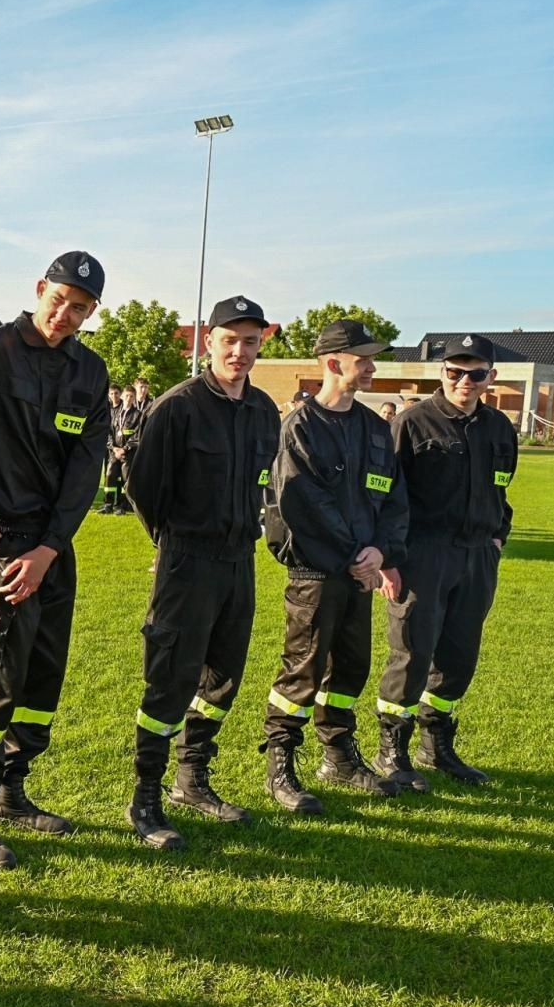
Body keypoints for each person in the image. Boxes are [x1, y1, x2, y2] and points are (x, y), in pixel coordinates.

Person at [0, 251, 110, 870]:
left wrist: (49, 547)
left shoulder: (89, 372)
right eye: (60, 299)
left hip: (50, 547)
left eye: (82, 307)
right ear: (41, 289)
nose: (66, 314)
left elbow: (84, 469)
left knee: (42, 679)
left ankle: (12, 790)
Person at [122, 296, 281, 847]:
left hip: (239, 560)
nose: (239, 351)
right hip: (187, 559)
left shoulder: (263, 410)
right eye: (229, 340)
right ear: (207, 341)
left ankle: (193, 779)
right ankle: (145, 797)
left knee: (223, 677)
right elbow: (142, 487)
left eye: (251, 342)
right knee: (170, 679)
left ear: (262, 345)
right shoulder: (178, 406)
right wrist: (169, 546)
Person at [262, 320, 409, 813]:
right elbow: (304, 503)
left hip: (360, 571)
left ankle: (338, 756)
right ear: (332, 363)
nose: (370, 367)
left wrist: (381, 552)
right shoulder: (300, 425)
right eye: (361, 359)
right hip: (316, 572)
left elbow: (393, 497)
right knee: (302, 670)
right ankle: (280, 765)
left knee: (350, 667)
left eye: (371, 359)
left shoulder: (373, 427)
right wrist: (356, 556)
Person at [374, 334, 515, 788]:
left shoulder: (499, 427)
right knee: (412, 652)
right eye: (455, 372)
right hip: (423, 553)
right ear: (442, 373)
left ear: (491, 377)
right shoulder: (413, 423)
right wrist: (389, 560)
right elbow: (384, 497)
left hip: (476, 556)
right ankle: (391, 751)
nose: (464, 381)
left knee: (459, 655)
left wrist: (497, 538)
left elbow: (500, 490)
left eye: (476, 374)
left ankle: (437, 746)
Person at [104, 385, 142, 515]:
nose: (129, 398)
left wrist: (125, 449)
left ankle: (121, 506)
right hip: (114, 452)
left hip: (128, 454)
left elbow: (137, 435)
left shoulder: (138, 415)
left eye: (132, 396)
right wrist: (113, 448)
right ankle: (107, 505)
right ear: (122, 396)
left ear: (134, 398)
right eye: (127, 395)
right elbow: (108, 432)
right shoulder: (115, 412)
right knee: (110, 475)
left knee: (125, 479)